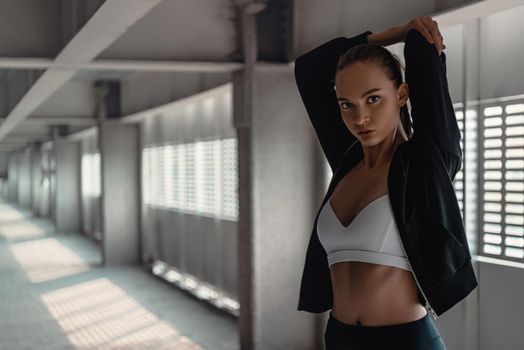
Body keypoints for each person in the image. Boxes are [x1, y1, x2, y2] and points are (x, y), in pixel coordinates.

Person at [294, 15, 478, 350]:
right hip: (339, 338)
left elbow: (425, 56)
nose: (359, 118)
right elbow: (309, 67)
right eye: (347, 105)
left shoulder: (425, 164)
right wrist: (386, 34)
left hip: (405, 341)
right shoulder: (347, 161)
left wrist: (411, 35)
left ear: (402, 94)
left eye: (373, 99)